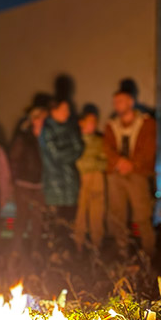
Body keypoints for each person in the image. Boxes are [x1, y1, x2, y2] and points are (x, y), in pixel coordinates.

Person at [104, 90, 157, 256]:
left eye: (120, 101)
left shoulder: (146, 123)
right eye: (115, 101)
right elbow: (107, 148)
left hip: (137, 174)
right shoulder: (111, 125)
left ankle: (149, 254)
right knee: (117, 214)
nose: (116, 105)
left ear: (130, 102)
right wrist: (120, 162)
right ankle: (122, 253)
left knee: (142, 214)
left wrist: (132, 164)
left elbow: (150, 147)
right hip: (117, 173)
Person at [9, 105, 47, 257]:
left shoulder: (47, 139)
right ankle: (15, 252)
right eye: (42, 119)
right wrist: (15, 179)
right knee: (22, 219)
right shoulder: (24, 137)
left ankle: (35, 251)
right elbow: (14, 159)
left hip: (40, 185)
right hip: (24, 184)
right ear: (34, 120)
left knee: (38, 220)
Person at [39, 98, 84, 227]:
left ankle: (68, 247)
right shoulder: (47, 130)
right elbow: (57, 156)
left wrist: (68, 151)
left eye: (68, 110)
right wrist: (71, 152)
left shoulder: (71, 128)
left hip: (71, 184)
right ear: (54, 111)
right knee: (56, 225)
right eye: (64, 110)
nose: (67, 113)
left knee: (70, 224)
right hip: (55, 186)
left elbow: (79, 148)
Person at [73, 106, 107, 251]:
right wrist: (93, 163)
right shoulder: (75, 139)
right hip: (81, 179)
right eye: (90, 121)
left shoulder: (100, 141)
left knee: (97, 212)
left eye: (95, 121)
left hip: (97, 179)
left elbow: (105, 161)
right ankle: (78, 245)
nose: (93, 124)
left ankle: (96, 245)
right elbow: (76, 160)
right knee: (80, 212)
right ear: (82, 122)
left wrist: (92, 164)